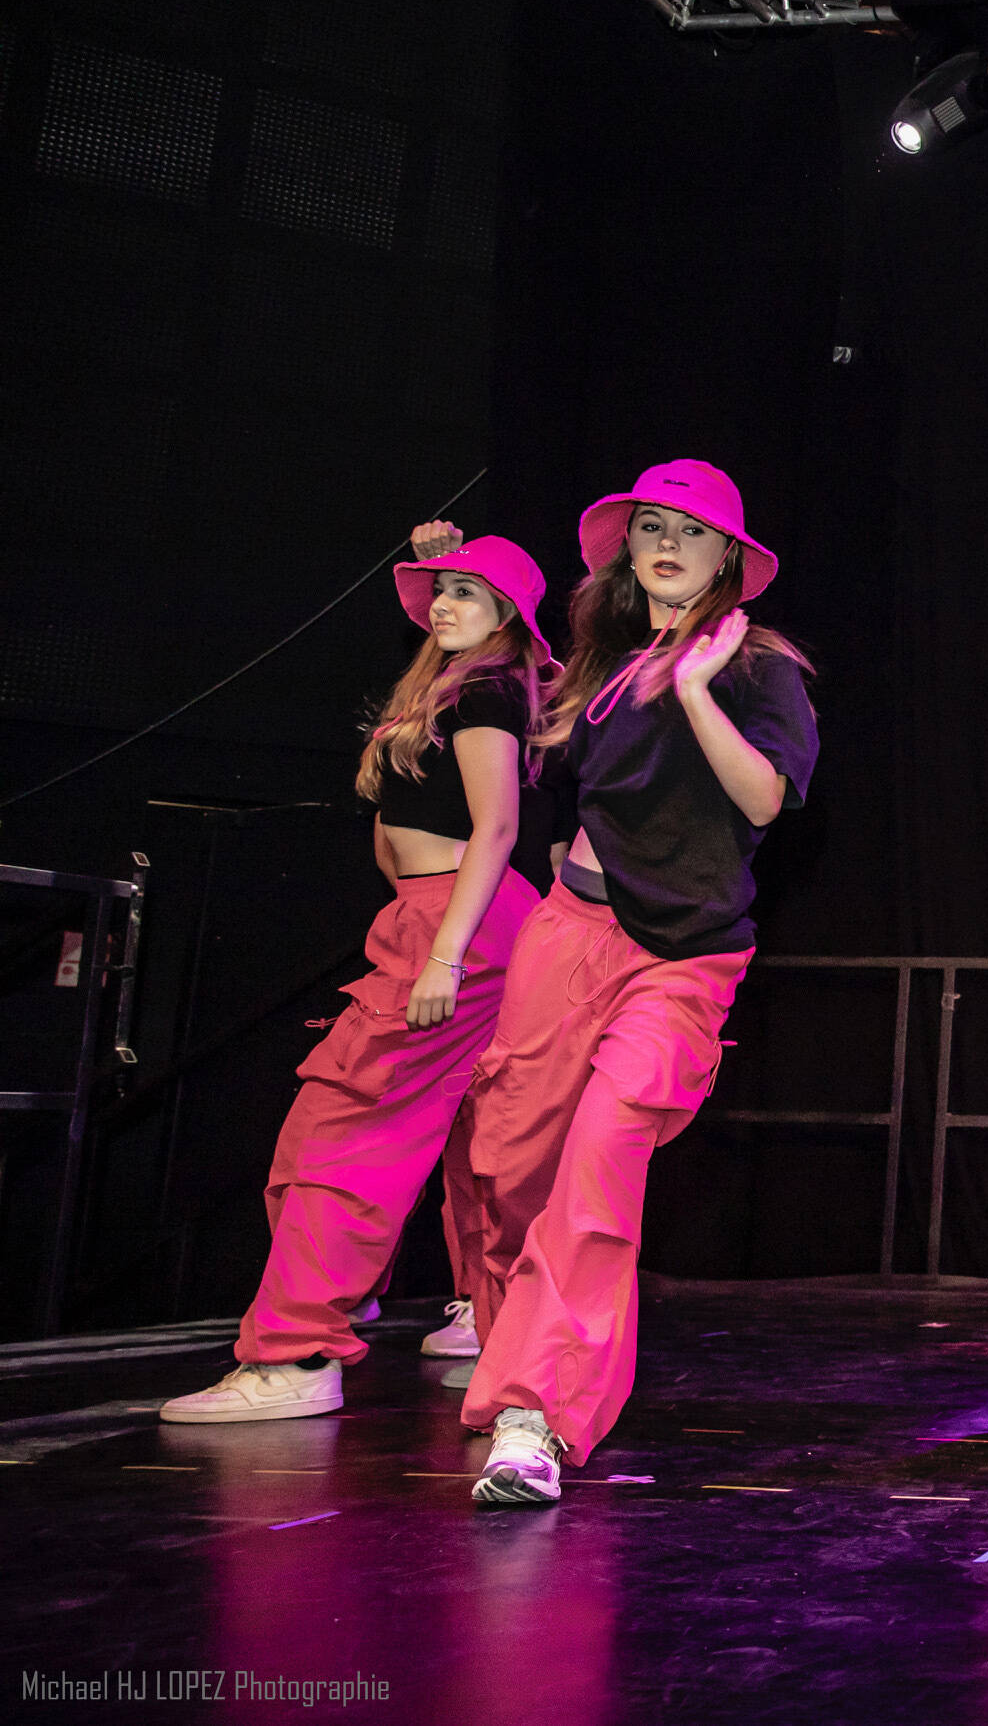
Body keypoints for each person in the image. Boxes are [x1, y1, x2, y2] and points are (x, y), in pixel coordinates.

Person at [459, 460, 817, 1505]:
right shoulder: (600, 667)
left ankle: (536, 1412)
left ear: (728, 562)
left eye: (691, 531)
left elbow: (761, 800)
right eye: (650, 526)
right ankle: (510, 1346)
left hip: (682, 962)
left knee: (599, 1165)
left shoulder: (759, 667)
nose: (666, 543)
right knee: (506, 1162)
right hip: (569, 934)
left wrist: (700, 690)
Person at [161, 528, 554, 1425]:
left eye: (469, 592)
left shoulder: (493, 689)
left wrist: (446, 951)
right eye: (441, 590)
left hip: (463, 921)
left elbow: (496, 828)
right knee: (456, 1128)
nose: (447, 604)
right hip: (433, 915)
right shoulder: (442, 690)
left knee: (349, 1131)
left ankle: (300, 1352)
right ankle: (491, 1322)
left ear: (507, 617)